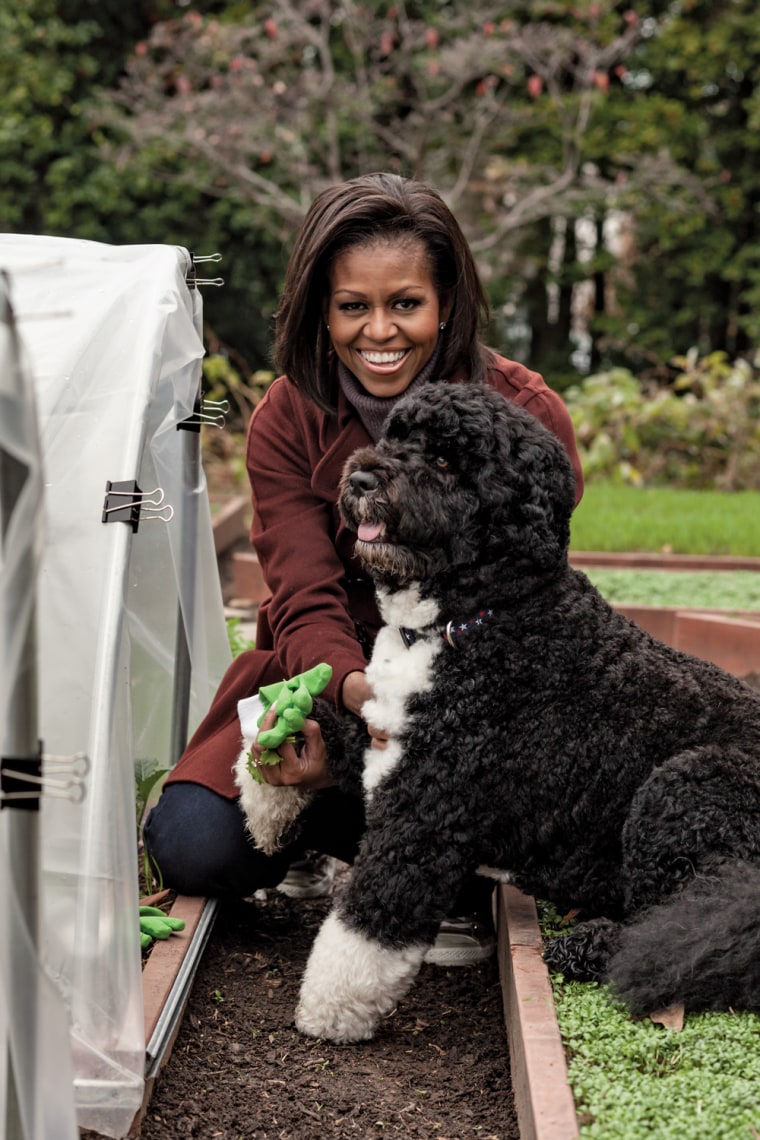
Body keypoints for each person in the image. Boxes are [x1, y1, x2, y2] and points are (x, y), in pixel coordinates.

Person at [144, 171, 584, 964]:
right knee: (191, 848)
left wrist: (421, 718)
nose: (380, 330)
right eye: (354, 306)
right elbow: (304, 595)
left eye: (405, 303)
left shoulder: (525, 412)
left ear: (446, 302)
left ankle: (438, 870)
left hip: (471, 698)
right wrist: (353, 700)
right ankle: (331, 835)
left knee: (479, 822)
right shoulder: (288, 413)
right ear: (322, 308)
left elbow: (535, 599)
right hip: (326, 679)